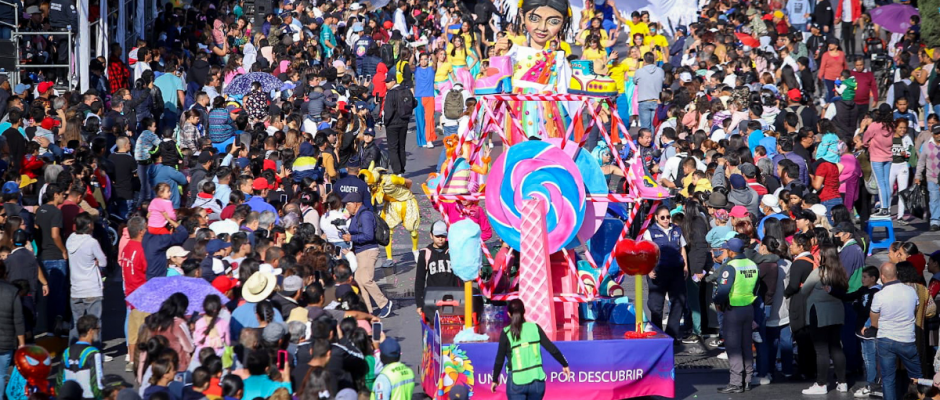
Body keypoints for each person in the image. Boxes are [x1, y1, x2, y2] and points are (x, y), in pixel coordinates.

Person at [490, 299, 570, 399]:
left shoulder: (506, 333)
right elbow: (551, 348)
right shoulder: (535, 328)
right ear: (525, 311)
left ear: (509, 314)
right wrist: (564, 364)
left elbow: (499, 359)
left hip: (516, 381)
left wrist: (494, 379)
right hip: (537, 381)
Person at [867, 262, 922, 400]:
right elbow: (915, 311)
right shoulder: (910, 291)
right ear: (896, 274)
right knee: (917, 376)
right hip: (907, 340)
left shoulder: (880, 295)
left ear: (882, 276)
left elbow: (874, 318)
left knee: (888, 378)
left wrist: (877, 326)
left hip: (885, 339)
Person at [713, 238, 759, 393]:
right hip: (748, 308)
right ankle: (747, 379)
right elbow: (757, 287)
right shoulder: (752, 264)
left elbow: (723, 290)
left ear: (731, 252)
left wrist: (718, 301)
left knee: (733, 347)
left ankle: (736, 382)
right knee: (746, 345)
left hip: (733, 310)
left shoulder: (730, 266)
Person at [641, 205, 688, 340]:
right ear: (656, 218)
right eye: (663, 217)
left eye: (668, 217)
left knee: (679, 302)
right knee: (656, 306)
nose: (666, 220)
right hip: (658, 271)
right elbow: (647, 252)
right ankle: (657, 334)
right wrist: (649, 269)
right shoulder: (650, 232)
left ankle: (672, 334)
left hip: (676, 270)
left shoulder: (676, 230)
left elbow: (682, 249)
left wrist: (686, 266)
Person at [343, 191, 392, 317]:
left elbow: (368, 235)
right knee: (359, 280)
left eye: (348, 205)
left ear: (355, 203)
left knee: (366, 279)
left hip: (368, 251)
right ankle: (367, 309)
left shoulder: (365, 215)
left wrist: (351, 238)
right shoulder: (356, 216)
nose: (346, 208)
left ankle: (384, 303)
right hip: (360, 251)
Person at [66, 212, 106, 342]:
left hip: (76, 289)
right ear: (89, 225)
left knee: (77, 322)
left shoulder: (70, 240)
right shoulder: (91, 242)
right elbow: (103, 261)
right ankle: (95, 352)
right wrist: (96, 262)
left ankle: (73, 351)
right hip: (91, 288)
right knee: (94, 323)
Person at [414, 220, 461, 314]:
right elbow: (420, 280)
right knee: (434, 325)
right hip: (433, 298)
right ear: (431, 235)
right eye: (437, 236)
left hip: (453, 296)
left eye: (443, 236)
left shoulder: (454, 251)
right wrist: (419, 304)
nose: (440, 239)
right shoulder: (425, 254)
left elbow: (461, 276)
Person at [55, 315, 104, 399]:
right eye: (97, 329)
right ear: (90, 331)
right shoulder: (93, 353)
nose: (99, 332)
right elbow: (97, 383)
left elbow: (59, 381)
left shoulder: (67, 351)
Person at [383, 74, 416, 175]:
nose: (386, 84)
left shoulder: (391, 93)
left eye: (388, 82)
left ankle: (397, 171)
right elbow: (414, 103)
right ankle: (402, 169)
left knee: (393, 148)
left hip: (392, 124)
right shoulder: (406, 90)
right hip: (404, 122)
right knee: (401, 146)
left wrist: (385, 122)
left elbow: (388, 111)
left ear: (393, 81)